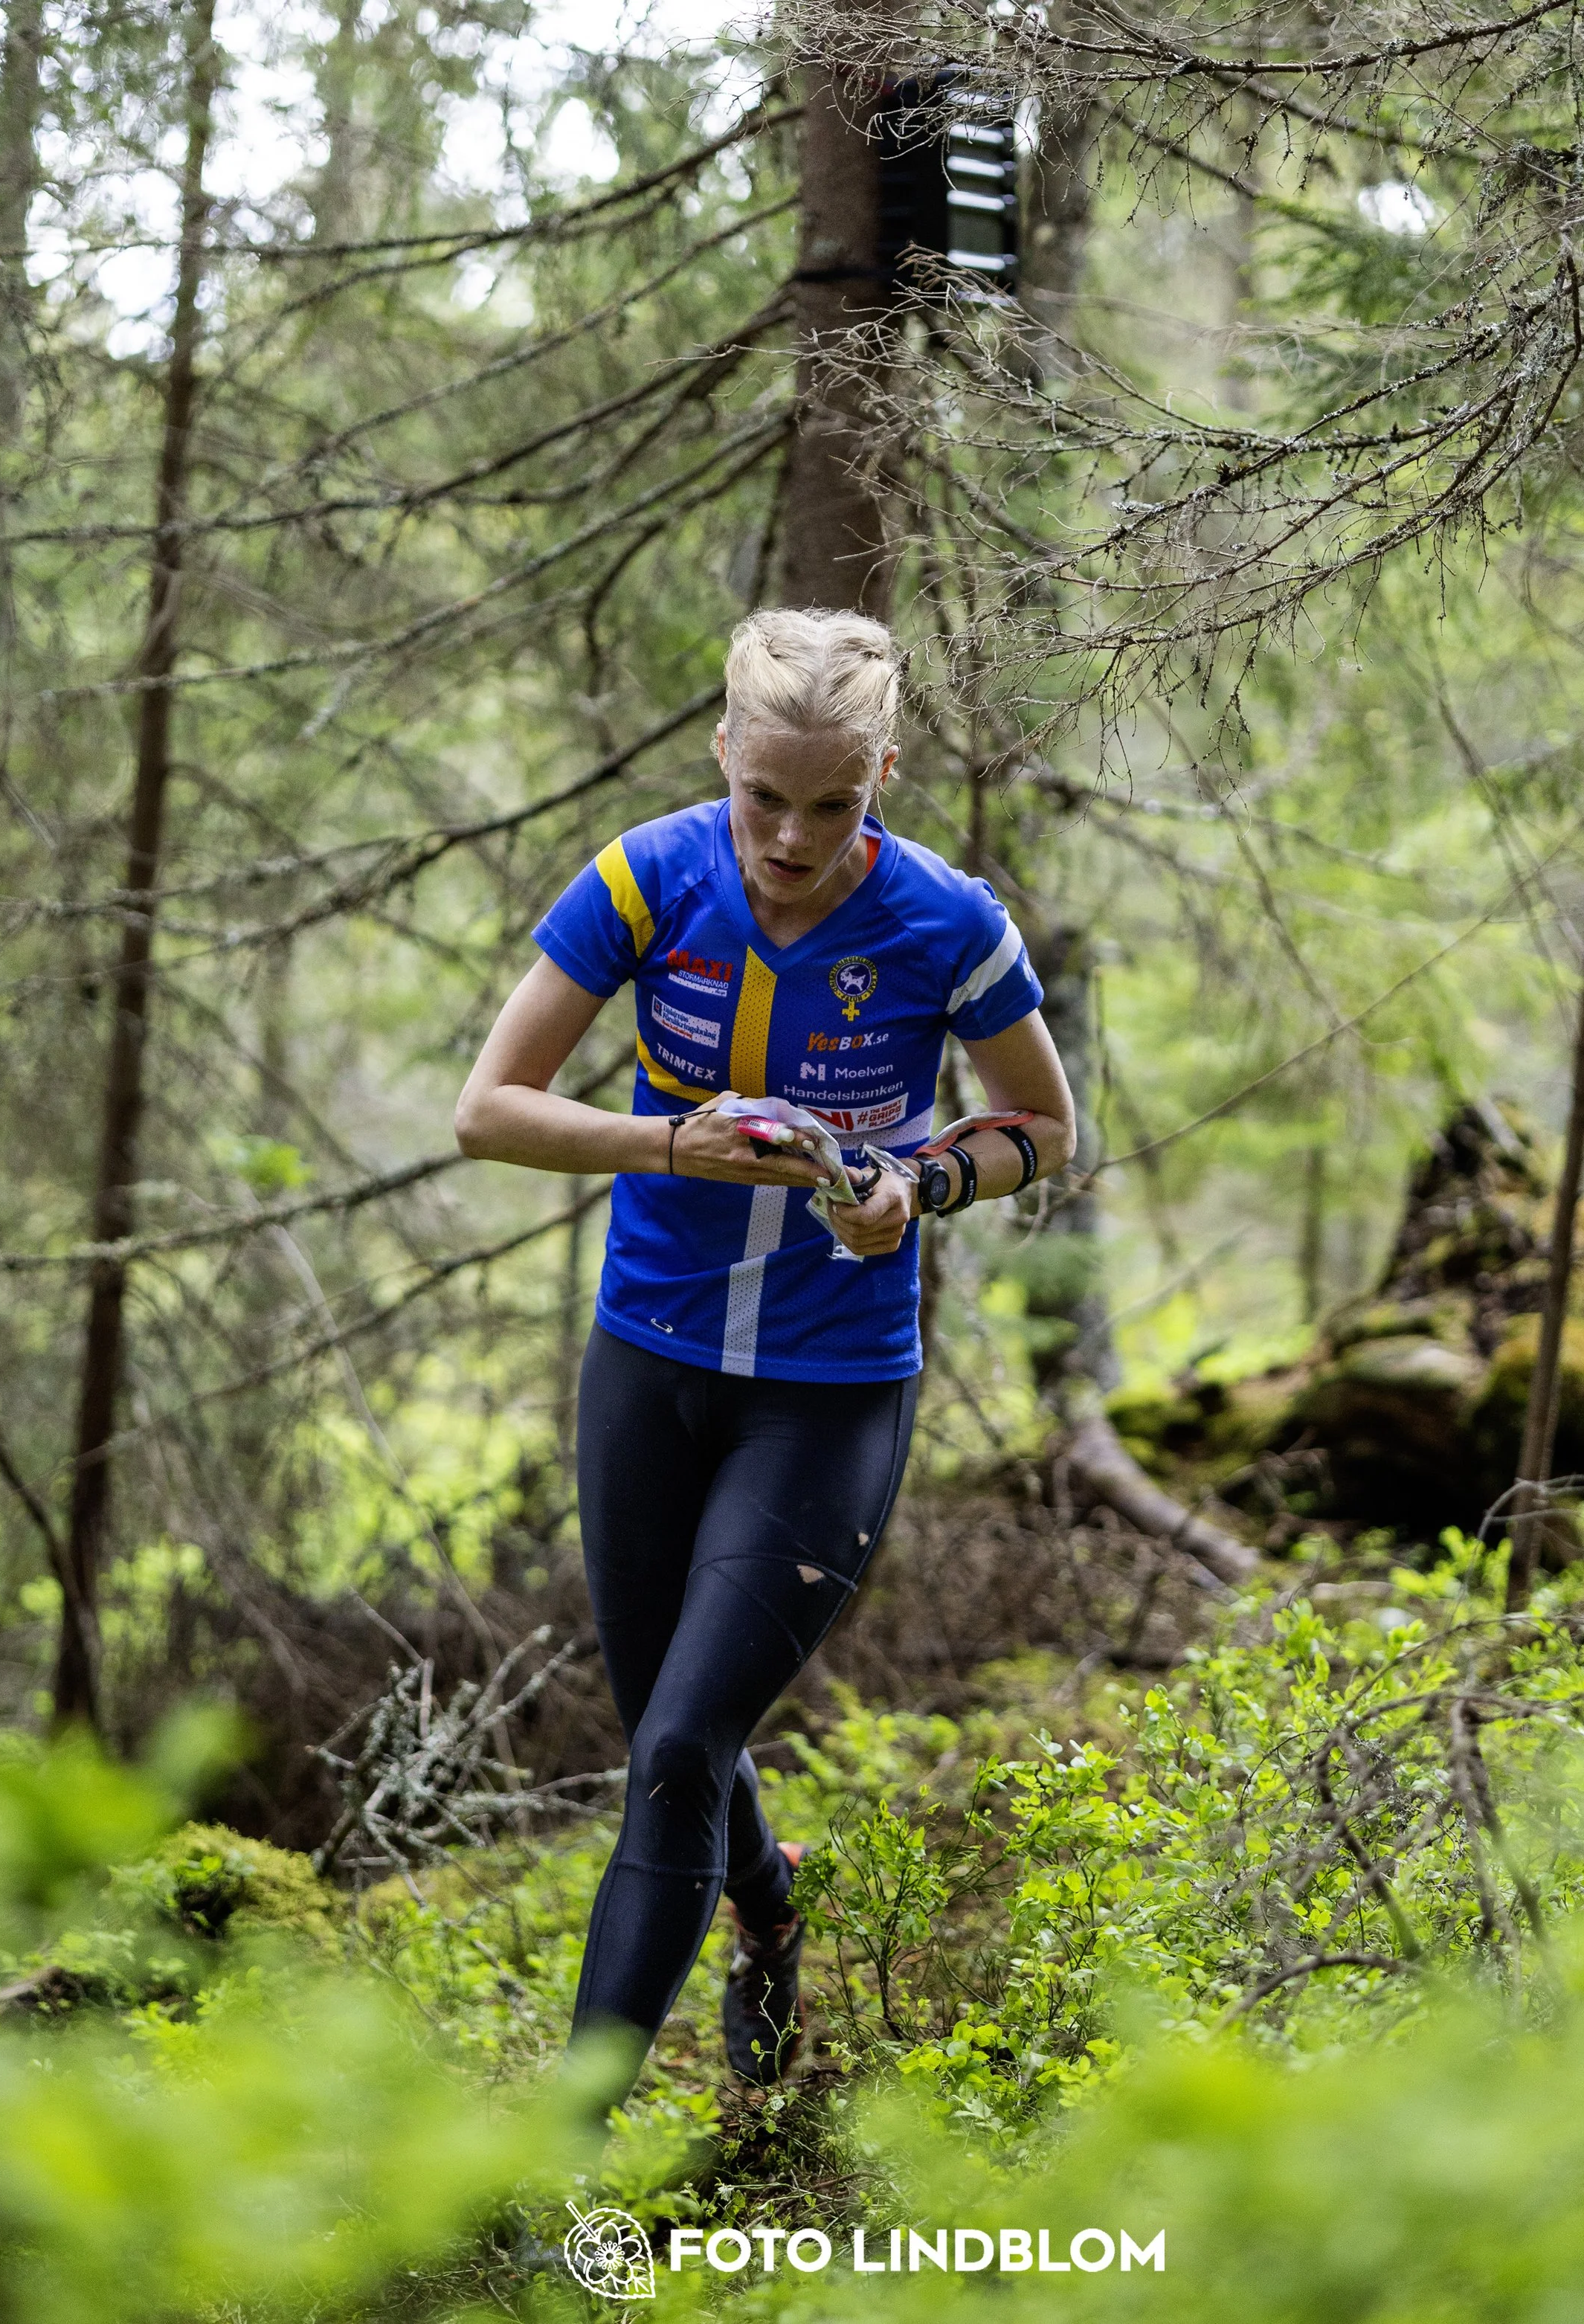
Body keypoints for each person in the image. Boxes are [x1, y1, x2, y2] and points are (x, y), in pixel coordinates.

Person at [454, 606, 1077, 2099]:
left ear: (883, 776)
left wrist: (918, 1183)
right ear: (723, 748)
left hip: (830, 1387)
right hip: (647, 1361)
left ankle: (567, 2146)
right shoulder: (644, 878)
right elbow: (488, 1109)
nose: (791, 837)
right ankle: (769, 1901)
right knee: (671, 1734)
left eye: (832, 804)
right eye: (764, 797)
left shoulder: (945, 923)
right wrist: (669, 1143)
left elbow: (1045, 1127)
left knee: (678, 1746)